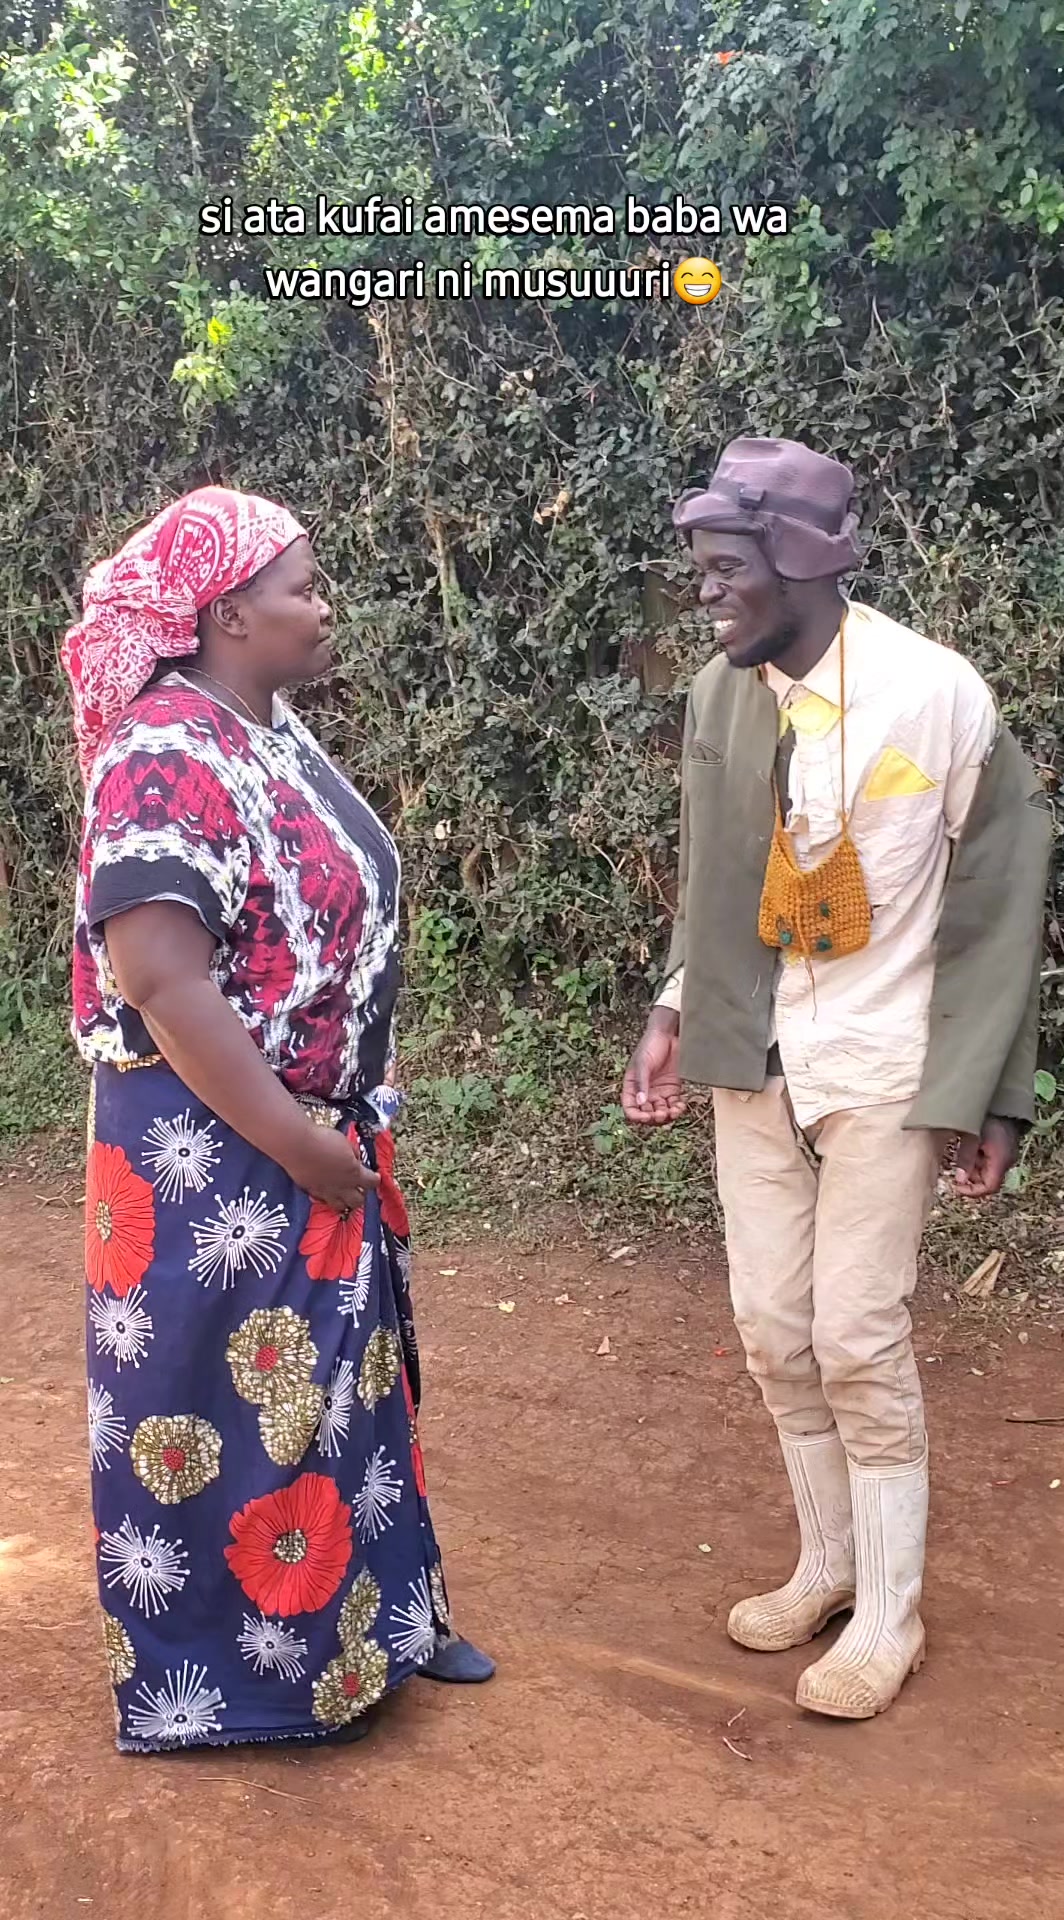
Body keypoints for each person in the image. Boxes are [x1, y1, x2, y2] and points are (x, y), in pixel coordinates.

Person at [622, 438, 1050, 1719]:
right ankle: (830, 1568)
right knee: (771, 1327)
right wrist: (672, 1008)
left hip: (889, 1056)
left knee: (857, 1333)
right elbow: (714, 879)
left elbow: (1001, 898)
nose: (706, 594)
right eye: (700, 570)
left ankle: (892, 1616)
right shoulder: (723, 695)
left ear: (802, 564)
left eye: (726, 569)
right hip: (756, 1050)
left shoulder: (935, 694)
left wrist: (994, 1090)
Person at [63, 484, 494, 1753]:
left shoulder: (263, 728)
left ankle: (382, 1628)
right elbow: (161, 979)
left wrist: (329, 1127)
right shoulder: (162, 751)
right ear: (229, 614)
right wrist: (300, 1141)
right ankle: (241, 1682)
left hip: (302, 1133)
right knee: (222, 1416)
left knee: (344, 1391)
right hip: (208, 1156)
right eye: (303, 587)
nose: (324, 607)